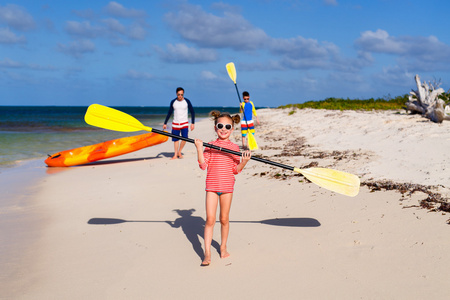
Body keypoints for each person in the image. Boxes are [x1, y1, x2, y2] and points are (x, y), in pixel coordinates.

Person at [194, 111, 251, 267]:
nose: (223, 129)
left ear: (232, 129)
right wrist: (199, 148)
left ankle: (223, 247)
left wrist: (244, 161)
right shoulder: (210, 146)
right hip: (212, 187)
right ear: (215, 128)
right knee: (210, 219)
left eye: (227, 126)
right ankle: (207, 253)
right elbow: (203, 165)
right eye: (220, 126)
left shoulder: (234, 147)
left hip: (227, 187)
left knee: (224, 219)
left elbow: (235, 170)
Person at [163, 87, 195, 159]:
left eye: (181, 94)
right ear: (176, 94)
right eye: (178, 94)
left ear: (183, 94)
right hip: (175, 124)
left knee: (185, 138)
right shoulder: (173, 102)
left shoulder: (187, 101)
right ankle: (175, 154)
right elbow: (169, 113)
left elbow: (192, 112)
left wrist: (192, 123)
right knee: (175, 140)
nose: (180, 96)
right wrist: (165, 123)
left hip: (184, 123)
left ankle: (179, 151)